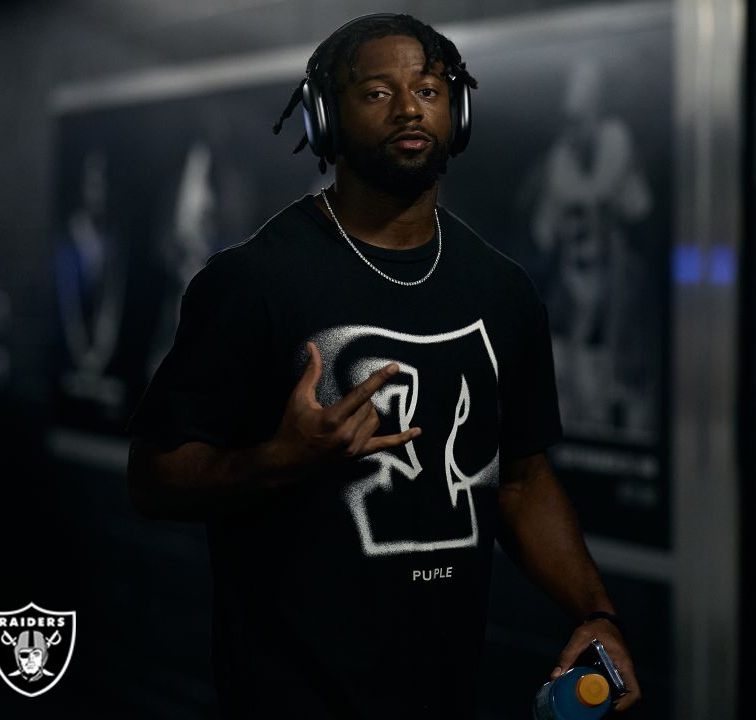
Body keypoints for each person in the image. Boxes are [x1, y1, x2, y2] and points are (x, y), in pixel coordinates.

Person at [125, 13, 642, 719]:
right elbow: (154, 480)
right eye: (375, 92)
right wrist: (281, 458)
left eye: (429, 89)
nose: (408, 109)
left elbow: (521, 481)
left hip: (446, 696)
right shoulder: (251, 283)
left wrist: (597, 613)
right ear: (324, 119)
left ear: (455, 112)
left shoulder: (503, 291)